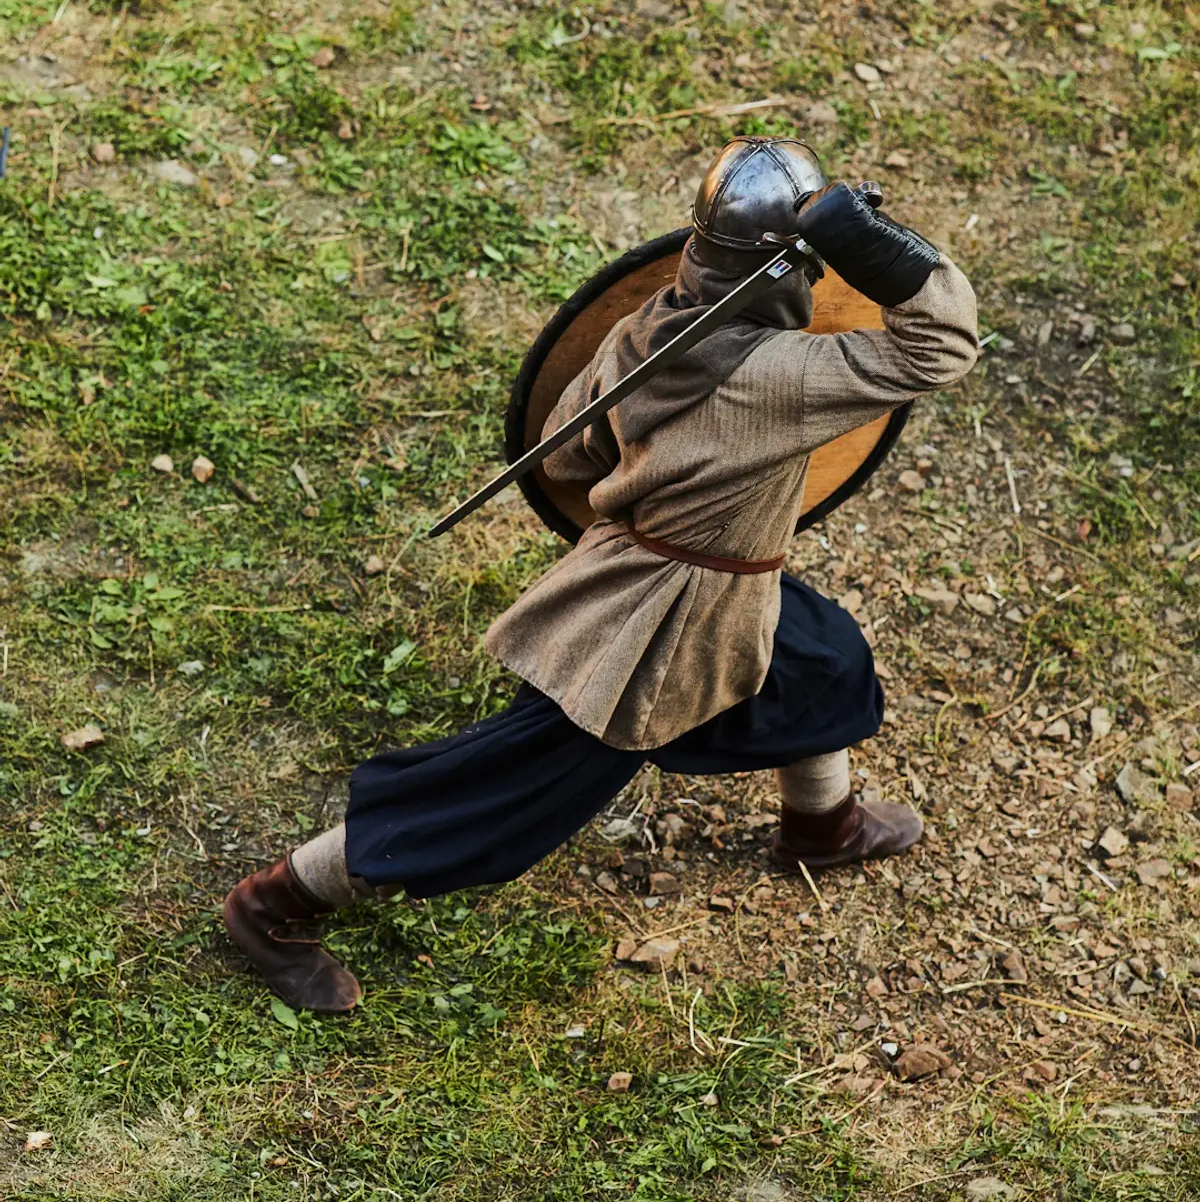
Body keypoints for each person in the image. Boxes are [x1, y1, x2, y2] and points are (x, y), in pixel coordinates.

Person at [224, 139, 978, 1012]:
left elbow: (574, 456)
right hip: (654, 625)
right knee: (504, 790)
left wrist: (662, 497)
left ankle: (824, 824)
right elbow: (942, 345)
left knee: (816, 655)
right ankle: (276, 905)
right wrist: (883, 249)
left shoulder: (645, 329)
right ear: (796, 264)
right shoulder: (776, 379)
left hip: (694, 576)